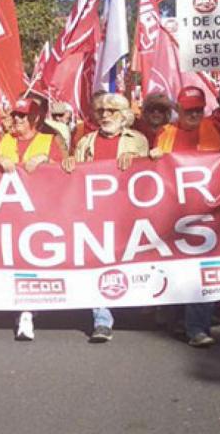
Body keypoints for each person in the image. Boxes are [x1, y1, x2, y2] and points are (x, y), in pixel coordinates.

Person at [149, 86, 220, 348]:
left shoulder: (215, 129)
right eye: (189, 110)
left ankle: (197, 327)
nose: (194, 114)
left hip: (207, 213)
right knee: (177, 267)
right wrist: (152, 157)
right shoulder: (165, 133)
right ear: (178, 110)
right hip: (172, 212)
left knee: (203, 269)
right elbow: (155, 170)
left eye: (199, 109)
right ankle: (175, 317)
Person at [62, 93, 149, 343]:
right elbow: (74, 174)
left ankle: (138, 307)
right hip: (95, 214)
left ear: (124, 115)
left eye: (111, 111)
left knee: (129, 261)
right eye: (100, 111)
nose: (105, 116)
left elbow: (152, 172)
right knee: (98, 263)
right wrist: (69, 163)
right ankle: (102, 320)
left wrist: (137, 161)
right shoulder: (86, 141)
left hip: (127, 212)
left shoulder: (138, 140)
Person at [0, 98, 65, 341]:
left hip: (43, 213)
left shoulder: (50, 140)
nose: (16, 120)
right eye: (14, 115)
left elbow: (71, 171)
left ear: (34, 119)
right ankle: (22, 309)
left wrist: (49, 162)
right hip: (10, 213)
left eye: (22, 116)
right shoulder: (4, 140)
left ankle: (29, 309)